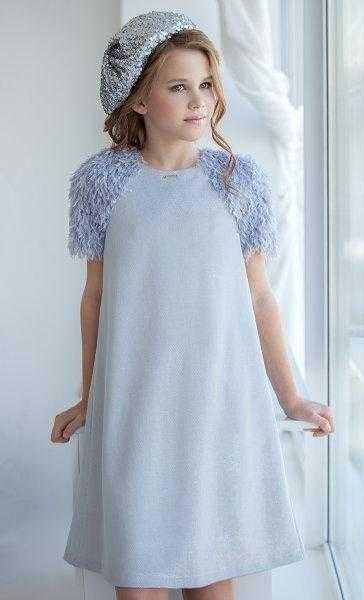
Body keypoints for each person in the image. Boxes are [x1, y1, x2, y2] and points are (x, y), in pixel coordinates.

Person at [50, 10, 335, 600]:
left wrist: (290, 398)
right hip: (135, 407)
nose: (199, 100)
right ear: (138, 99)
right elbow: (94, 297)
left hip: (216, 407)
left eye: (206, 84)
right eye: (178, 86)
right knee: (139, 576)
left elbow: (260, 297)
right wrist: (89, 395)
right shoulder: (102, 183)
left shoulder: (238, 180)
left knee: (210, 572)